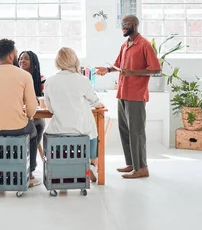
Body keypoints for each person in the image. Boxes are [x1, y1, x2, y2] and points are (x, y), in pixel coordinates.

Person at [95, 15, 161, 179]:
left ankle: (142, 168)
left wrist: (133, 72)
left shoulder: (144, 44)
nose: (124, 27)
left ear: (135, 25)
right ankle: (132, 164)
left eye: (127, 24)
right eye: (122, 24)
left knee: (136, 132)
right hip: (123, 93)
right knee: (124, 130)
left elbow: (156, 69)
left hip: (136, 95)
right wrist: (107, 70)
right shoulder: (125, 45)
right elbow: (118, 66)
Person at [0, 39, 39, 186]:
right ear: (12, 55)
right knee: (34, 131)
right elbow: (32, 109)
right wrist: (26, 115)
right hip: (18, 127)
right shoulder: (25, 76)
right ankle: (30, 173)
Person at [43, 47, 104, 182]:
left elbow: (50, 108)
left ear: (57, 62)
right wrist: (98, 104)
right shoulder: (82, 80)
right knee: (93, 132)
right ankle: (92, 163)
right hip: (81, 132)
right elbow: (94, 101)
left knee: (49, 132)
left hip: (58, 132)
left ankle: (61, 169)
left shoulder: (50, 81)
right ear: (75, 61)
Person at [18, 50, 46, 151]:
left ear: (33, 62)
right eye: (21, 59)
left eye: (26, 58)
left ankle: (30, 152)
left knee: (40, 123)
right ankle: (27, 153)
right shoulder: (15, 78)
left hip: (34, 113)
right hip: (18, 113)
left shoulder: (41, 79)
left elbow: (43, 98)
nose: (22, 61)